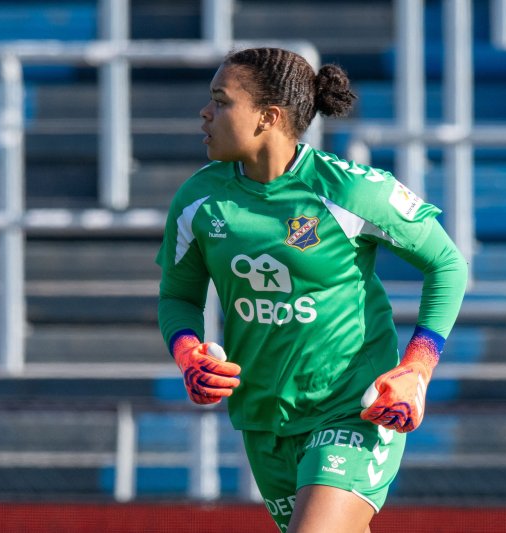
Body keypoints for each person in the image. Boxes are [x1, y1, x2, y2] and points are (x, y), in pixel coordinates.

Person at [156, 47, 468, 533]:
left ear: (268, 116)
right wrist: (187, 353)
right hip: (264, 419)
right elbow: (178, 297)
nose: (206, 112)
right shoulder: (198, 199)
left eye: (221, 101)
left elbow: (447, 263)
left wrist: (417, 369)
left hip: (353, 408)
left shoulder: (348, 190)